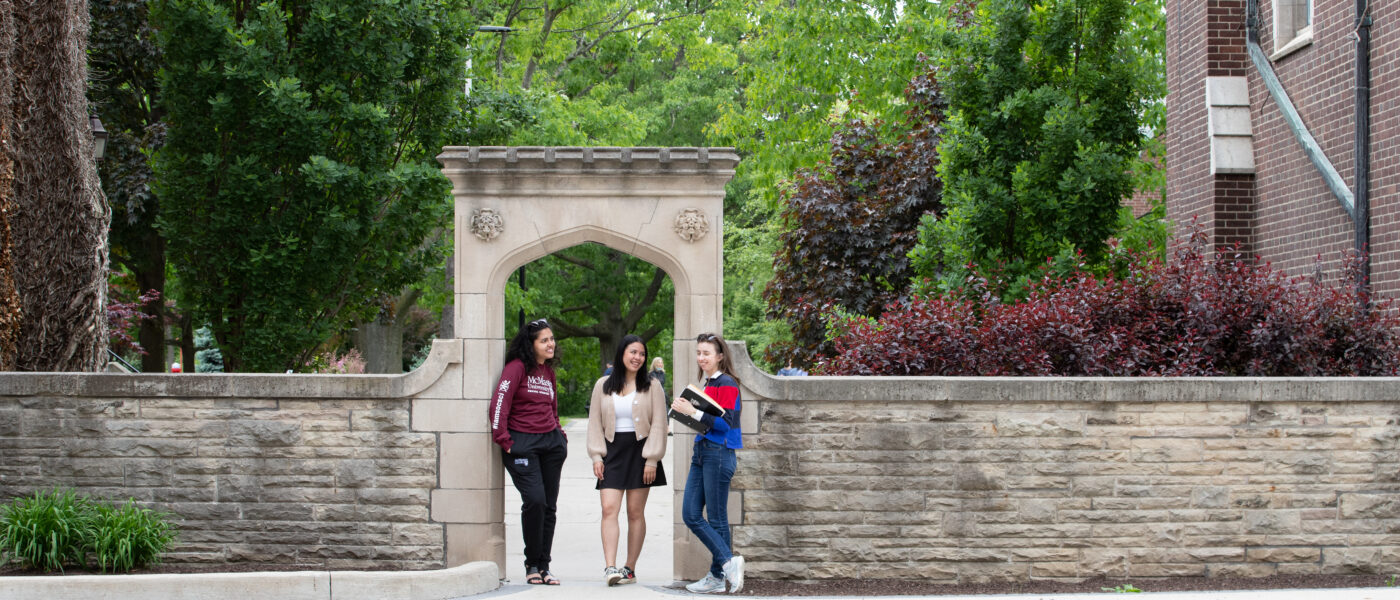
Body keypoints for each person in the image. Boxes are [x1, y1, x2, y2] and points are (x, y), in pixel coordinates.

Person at [489, 318, 566, 585]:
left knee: (549, 507)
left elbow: (553, 408)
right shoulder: (516, 368)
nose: (550, 344)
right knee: (535, 501)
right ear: (531, 344)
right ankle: (531, 563)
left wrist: (560, 435)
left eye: (552, 339)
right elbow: (500, 402)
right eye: (544, 340)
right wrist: (504, 439)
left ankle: (544, 566)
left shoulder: (548, 373)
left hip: (551, 445)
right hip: (522, 444)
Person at [586, 335, 668, 586]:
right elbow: (595, 422)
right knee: (608, 508)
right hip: (611, 452)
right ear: (622, 353)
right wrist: (597, 455)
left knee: (635, 512)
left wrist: (652, 459)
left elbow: (659, 423)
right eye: (633, 352)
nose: (637, 358)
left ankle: (629, 569)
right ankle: (610, 567)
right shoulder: (603, 384)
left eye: (642, 354)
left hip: (641, 452)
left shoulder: (652, 385)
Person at [672, 333, 745, 594]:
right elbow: (707, 421)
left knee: (716, 518)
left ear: (720, 356)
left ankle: (719, 572)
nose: (701, 358)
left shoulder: (727, 383)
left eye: (707, 353)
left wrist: (693, 412)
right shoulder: (709, 383)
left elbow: (726, 424)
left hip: (719, 453)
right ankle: (726, 565)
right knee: (690, 514)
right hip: (702, 452)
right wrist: (684, 411)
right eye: (699, 353)